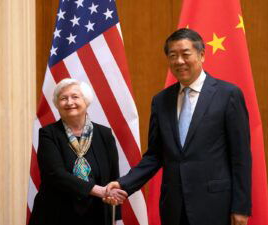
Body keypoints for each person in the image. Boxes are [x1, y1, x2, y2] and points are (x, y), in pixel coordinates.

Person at [105, 28, 252, 225]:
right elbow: (155, 155)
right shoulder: (161, 100)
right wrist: (124, 184)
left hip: (215, 205)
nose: (179, 61)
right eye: (173, 56)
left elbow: (240, 156)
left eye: (185, 54)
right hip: (174, 206)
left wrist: (241, 207)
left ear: (201, 55)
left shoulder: (228, 95)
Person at [29, 78, 126, 225]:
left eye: (75, 97)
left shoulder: (104, 134)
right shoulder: (48, 134)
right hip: (57, 214)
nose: (69, 102)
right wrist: (97, 190)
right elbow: (55, 174)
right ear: (57, 104)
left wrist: (114, 209)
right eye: (63, 98)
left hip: (97, 214)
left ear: (86, 101)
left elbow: (113, 175)